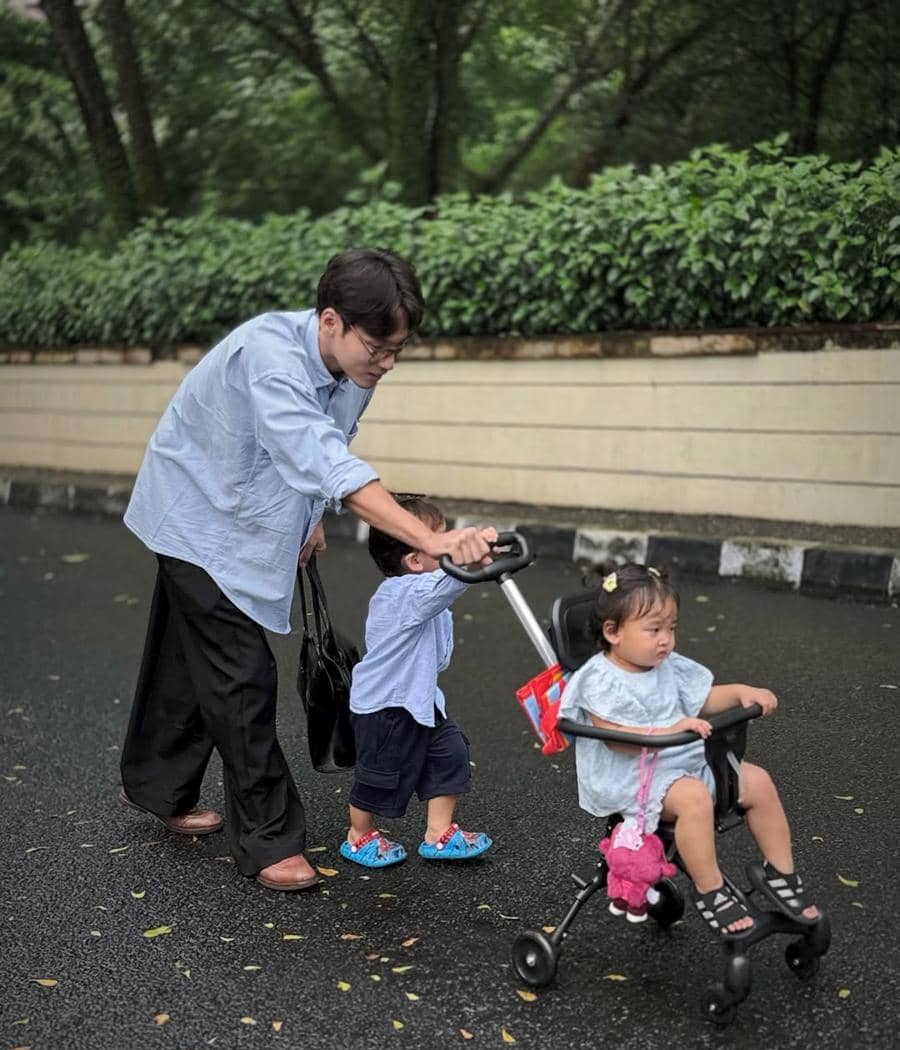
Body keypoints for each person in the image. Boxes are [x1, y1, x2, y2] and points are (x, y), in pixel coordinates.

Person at [119, 248, 496, 891]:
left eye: (397, 351)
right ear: (330, 321)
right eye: (377, 347)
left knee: (186, 662)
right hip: (193, 514)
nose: (386, 362)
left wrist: (311, 513)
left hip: (240, 511)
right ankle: (268, 839)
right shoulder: (271, 358)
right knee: (242, 675)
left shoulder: (352, 373)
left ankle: (159, 787)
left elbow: (325, 451)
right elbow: (321, 454)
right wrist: (429, 542)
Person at [558, 563, 819, 937]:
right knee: (695, 799)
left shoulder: (663, 664)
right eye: (654, 630)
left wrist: (740, 693)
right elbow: (615, 736)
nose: (666, 639)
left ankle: (780, 873)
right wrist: (668, 728)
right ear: (612, 632)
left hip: (679, 760)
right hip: (632, 776)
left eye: (671, 628)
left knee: (758, 781)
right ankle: (711, 890)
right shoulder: (600, 680)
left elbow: (702, 698)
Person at [340, 494, 492, 868]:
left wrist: (486, 550)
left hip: (421, 699)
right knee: (380, 774)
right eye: (438, 541)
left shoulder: (422, 592)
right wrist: (468, 556)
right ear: (414, 561)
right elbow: (444, 587)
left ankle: (438, 832)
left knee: (450, 754)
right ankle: (358, 835)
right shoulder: (402, 594)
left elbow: (443, 599)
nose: (449, 543)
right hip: (386, 705)